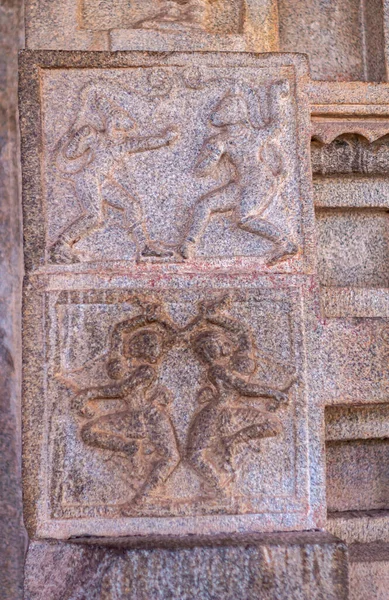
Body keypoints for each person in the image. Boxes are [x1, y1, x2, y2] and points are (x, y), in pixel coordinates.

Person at [51, 86, 178, 263]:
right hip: (89, 177)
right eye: (117, 122)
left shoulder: (123, 143)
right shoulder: (95, 136)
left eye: (120, 125)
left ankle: (144, 247)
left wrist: (164, 139)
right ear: (110, 121)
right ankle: (61, 245)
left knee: (131, 205)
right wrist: (80, 137)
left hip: (103, 181)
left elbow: (145, 143)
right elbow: (71, 154)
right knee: (94, 217)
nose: (120, 128)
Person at [179, 83, 298, 265]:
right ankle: (189, 244)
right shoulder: (220, 141)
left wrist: (275, 94)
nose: (217, 113)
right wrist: (213, 155)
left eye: (224, 108)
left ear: (236, 113)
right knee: (205, 204)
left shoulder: (253, 136)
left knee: (244, 218)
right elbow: (200, 171)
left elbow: (277, 124)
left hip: (260, 181)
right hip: (240, 184)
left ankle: (286, 244)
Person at [72, 311, 180, 512]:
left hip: (149, 416)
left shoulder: (146, 370)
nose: (158, 349)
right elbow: (118, 332)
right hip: (139, 417)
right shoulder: (129, 366)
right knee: (88, 432)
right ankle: (128, 449)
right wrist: (148, 317)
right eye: (154, 345)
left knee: (171, 457)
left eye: (158, 345)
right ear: (142, 348)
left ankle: (143, 498)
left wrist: (90, 394)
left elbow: (123, 390)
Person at [186, 306, 294, 496]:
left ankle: (232, 444)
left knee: (195, 455)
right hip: (219, 412)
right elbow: (243, 388)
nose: (223, 346)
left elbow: (242, 334)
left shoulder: (224, 367)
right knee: (194, 455)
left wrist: (213, 316)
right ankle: (220, 488)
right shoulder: (218, 370)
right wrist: (273, 393)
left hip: (221, 411)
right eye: (217, 344)